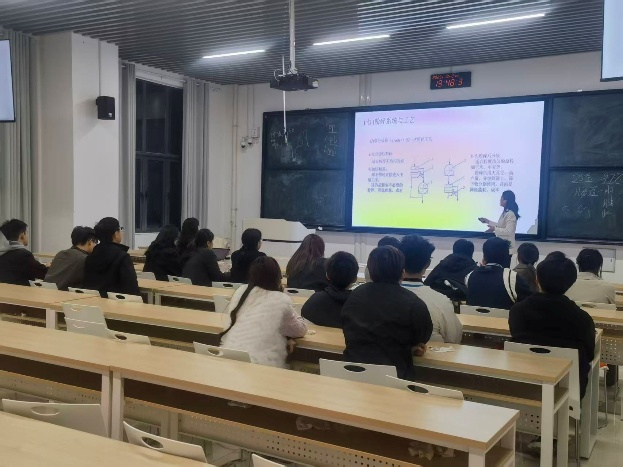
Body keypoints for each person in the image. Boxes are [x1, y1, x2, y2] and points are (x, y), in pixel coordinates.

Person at [509, 252, 595, 399]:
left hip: (522, 382)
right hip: (569, 387)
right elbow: (589, 355)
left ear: (537, 279)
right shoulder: (582, 319)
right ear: (571, 283)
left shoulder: (517, 311)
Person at [341, 246, 433, 380]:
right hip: (394, 378)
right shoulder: (413, 303)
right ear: (403, 273)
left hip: (351, 373)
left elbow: (347, 327)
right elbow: (422, 337)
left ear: (370, 272)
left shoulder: (354, 296)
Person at [219, 256, 307, 368]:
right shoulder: (279, 300)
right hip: (259, 366)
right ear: (277, 277)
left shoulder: (240, 292)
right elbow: (300, 330)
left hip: (229, 356)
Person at [400, 235, 463, 344]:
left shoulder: (383, 296)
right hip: (429, 354)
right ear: (428, 263)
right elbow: (454, 339)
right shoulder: (441, 301)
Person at [466, 237, 531, 310]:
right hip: (505, 317)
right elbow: (529, 304)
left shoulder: (470, 276)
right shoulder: (512, 277)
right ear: (506, 257)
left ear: (484, 256)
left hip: (471, 317)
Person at [83, 217, 140, 297]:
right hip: (118, 302)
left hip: (94, 301)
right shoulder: (122, 257)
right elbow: (131, 287)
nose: (121, 232)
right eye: (120, 229)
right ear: (116, 234)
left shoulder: (90, 256)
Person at [301, 251, 359, 328]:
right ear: (355, 279)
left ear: (327, 275)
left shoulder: (315, 301)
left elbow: (304, 316)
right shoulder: (359, 306)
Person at [0, 219, 47, 286]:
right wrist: (53, 267)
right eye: (27, 233)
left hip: (5, 291)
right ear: (22, 235)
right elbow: (44, 274)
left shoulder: (2, 253)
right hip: (23, 291)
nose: (27, 236)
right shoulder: (24, 255)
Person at [479, 190, 519, 265]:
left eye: (501, 198)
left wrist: (494, 229)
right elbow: (500, 226)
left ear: (506, 200)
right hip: (501, 247)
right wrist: (488, 221)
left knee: (504, 269)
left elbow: (508, 231)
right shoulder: (505, 212)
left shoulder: (510, 214)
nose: (500, 200)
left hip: (507, 248)